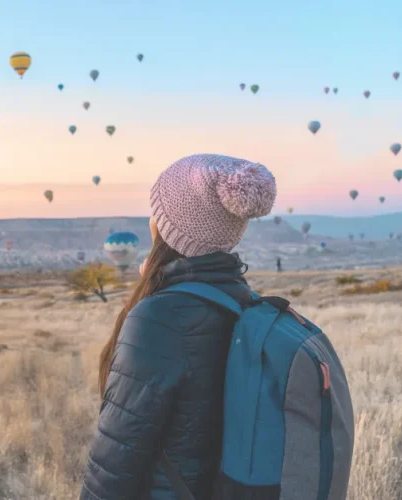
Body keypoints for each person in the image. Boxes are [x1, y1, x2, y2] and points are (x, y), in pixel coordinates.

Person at [81, 154, 277, 500]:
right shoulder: (245, 302)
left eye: (157, 211)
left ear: (165, 226)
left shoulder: (159, 317)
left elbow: (114, 462)